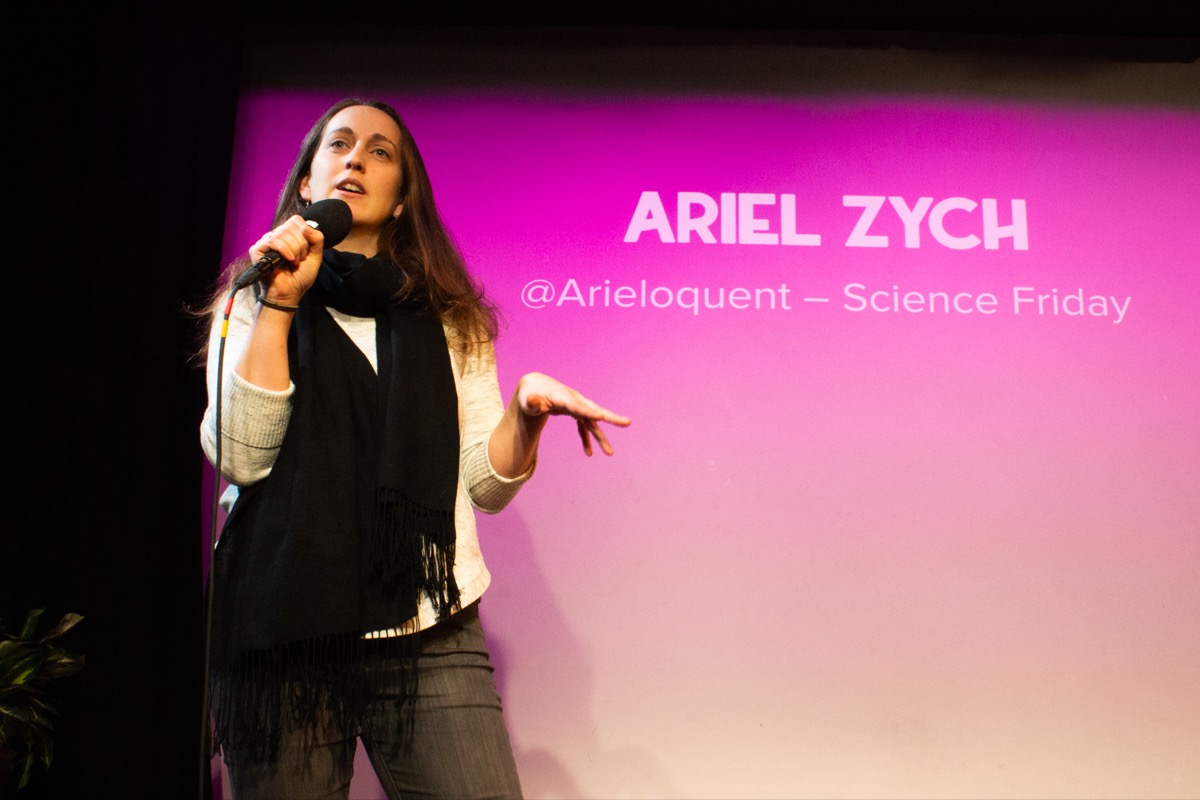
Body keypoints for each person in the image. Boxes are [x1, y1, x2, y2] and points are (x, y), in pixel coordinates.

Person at [197, 97, 630, 800]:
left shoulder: (451, 319)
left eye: (380, 151)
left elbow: (485, 488)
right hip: (285, 643)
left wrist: (524, 413)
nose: (356, 160)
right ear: (307, 183)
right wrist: (278, 306)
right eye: (337, 145)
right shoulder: (251, 300)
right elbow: (243, 460)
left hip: (429, 631)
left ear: (402, 200)